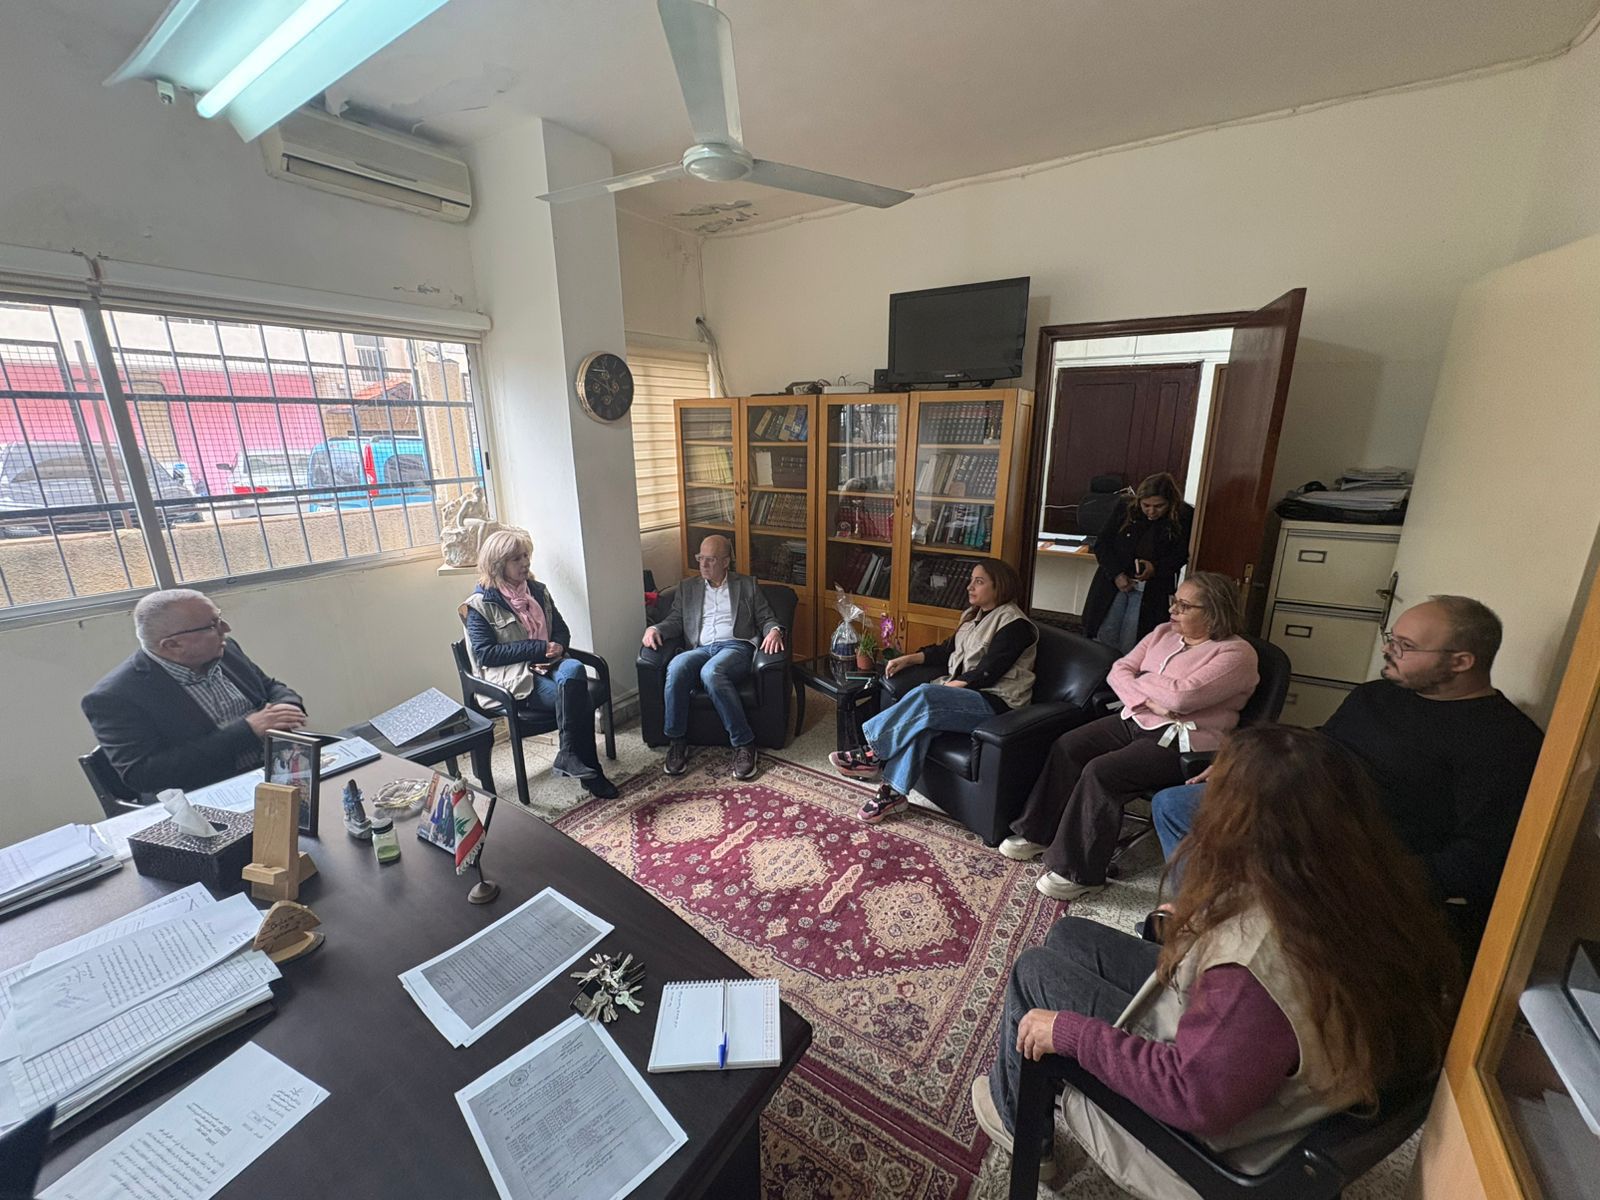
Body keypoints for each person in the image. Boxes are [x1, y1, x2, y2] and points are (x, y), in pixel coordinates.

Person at [973, 726, 1461, 1197]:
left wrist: (1072, 1034)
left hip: (1209, 1131)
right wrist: (1199, 926)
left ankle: (1020, 1128)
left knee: (1034, 974)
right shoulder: (1359, 882)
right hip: (1244, 1059)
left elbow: (1192, 1097)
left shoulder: (1255, 969)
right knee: (1070, 935)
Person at [1151, 595, 1543, 960]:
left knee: (1258, 860)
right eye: (1392, 639)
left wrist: (1364, 874)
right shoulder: (1377, 695)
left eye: (1405, 646)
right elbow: (1323, 741)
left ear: (1461, 662)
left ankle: (1224, 928)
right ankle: (1200, 918)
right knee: (1176, 806)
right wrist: (1245, 761)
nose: (1388, 650)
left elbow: (1479, 858)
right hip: (1301, 807)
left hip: (1359, 852)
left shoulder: (1503, 742)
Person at [1002, 571, 1257, 900]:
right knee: (1068, 746)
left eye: (1184, 606)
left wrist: (1144, 682)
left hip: (1183, 742)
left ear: (1214, 612)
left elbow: (1182, 698)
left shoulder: (1236, 654)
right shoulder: (1163, 632)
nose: (1172, 610)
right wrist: (1150, 698)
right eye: (1174, 601)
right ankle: (1038, 832)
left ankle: (1080, 872)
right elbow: (1118, 670)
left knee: (1102, 771)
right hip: (1135, 716)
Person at [830, 559, 1038, 824]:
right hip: (967, 696)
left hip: (997, 704)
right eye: (971, 580)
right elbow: (945, 651)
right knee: (923, 723)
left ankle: (872, 753)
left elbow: (989, 671)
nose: (969, 587)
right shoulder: (972, 617)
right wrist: (908, 659)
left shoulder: (1015, 624)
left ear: (1000, 586)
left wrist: (946, 690)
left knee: (927, 696)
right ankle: (893, 794)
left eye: (979, 582)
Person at [82, 588, 306, 796]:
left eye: (219, 618)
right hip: (206, 793)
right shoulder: (114, 696)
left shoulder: (226, 650)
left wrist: (286, 707)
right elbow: (144, 774)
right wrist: (248, 731)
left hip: (276, 769)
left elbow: (270, 687)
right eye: (212, 626)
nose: (226, 629)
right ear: (172, 645)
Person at [462, 530, 617, 799]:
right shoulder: (479, 604)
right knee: (576, 698)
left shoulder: (538, 591)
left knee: (575, 669)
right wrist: (538, 648)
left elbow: (561, 630)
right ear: (498, 565)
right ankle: (593, 775)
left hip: (551, 664)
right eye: (516, 559)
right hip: (516, 676)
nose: (525, 563)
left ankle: (567, 753)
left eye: (526, 556)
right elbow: (486, 654)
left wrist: (558, 646)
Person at [642, 535, 786, 781]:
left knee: (712, 673)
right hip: (700, 648)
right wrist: (655, 628)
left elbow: (766, 617)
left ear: (726, 562)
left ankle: (744, 743)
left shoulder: (747, 585)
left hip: (736, 647)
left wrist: (774, 630)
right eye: (700, 558)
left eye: (710, 559)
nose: (703, 564)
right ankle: (677, 741)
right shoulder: (688, 588)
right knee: (676, 667)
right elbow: (675, 621)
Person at [1080, 472, 1194, 654]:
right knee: (1104, 635)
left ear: (1170, 503)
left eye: (1159, 506)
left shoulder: (1183, 515)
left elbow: (1181, 555)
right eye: (1146, 505)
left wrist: (1155, 568)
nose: (1151, 511)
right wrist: (1116, 574)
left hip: (1151, 589)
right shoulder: (1126, 507)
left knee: (1134, 641)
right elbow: (1103, 544)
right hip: (1115, 582)